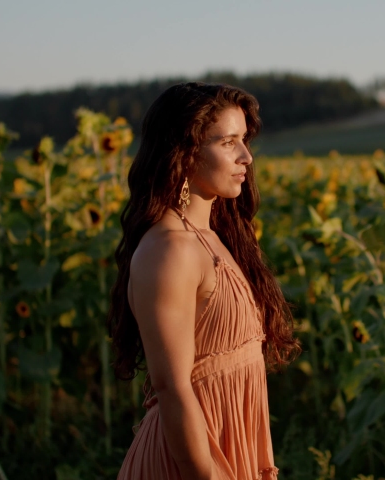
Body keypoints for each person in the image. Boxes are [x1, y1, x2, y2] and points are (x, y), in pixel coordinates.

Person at [107, 82, 300, 479]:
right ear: (186, 151)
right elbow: (172, 388)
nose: (246, 156)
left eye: (244, 140)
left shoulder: (214, 237)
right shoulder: (170, 250)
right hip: (192, 463)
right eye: (228, 142)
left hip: (228, 450)